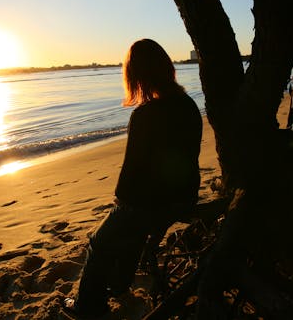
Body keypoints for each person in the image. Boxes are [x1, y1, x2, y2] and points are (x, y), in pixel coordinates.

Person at [63, 38, 203, 318]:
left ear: (136, 75)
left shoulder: (145, 115)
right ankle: (118, 285)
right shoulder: (189, 105)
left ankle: (87, 308)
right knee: (131, 226)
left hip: (154, 203)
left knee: (99, 241)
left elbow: (132, 172)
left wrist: (120, 199)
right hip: (184, 198)